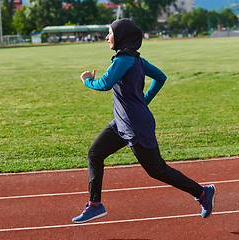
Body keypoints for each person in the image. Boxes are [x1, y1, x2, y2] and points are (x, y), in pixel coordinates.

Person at [72, 19, 215, 224]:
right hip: (122, 123)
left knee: (157, 170)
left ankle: (202, 193)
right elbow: (160, 77)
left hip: (136, 126)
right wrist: (143, 101)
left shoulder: (122, 60)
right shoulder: (136, 60)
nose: (106, 38)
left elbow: (104, 84)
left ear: (121, 36)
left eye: (109, 33)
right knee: (94, 153)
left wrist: (87, 81)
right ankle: (95, 205)